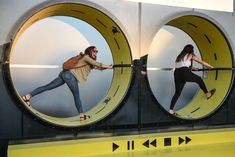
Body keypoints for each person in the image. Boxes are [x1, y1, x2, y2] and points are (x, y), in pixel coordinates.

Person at [22, 46, 113, 121]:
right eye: (94, 51)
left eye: (97, 52)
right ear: (90, 51)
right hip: (70, 76)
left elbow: (99, 67)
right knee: (76, 96)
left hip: (65, 74)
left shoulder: (89, 62)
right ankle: (82, 116)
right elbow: (98, 64)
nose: (96, 53)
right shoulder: (86, 57)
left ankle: (27, 97)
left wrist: (109, 67)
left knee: (48, 87)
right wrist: (108, 67)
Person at [169, 44, 216, 115]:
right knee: (199, 79)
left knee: (177, 93)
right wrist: (211, 66)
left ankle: (171, 110)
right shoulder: (190, 55)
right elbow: (201, 62)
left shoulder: (179, 57)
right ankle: (207, 94)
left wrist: (193, 68)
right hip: (184, 72)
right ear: (191, 50)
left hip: (177, 73)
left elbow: (183, 65)